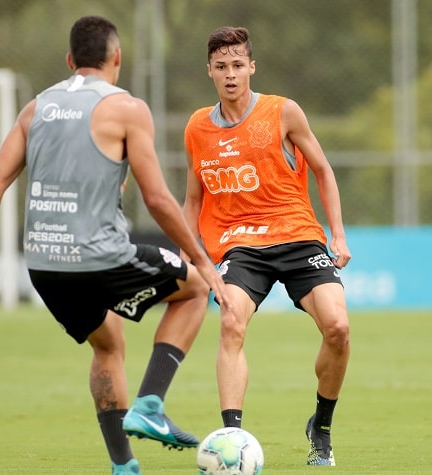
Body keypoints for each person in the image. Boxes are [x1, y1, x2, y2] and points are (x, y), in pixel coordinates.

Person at [0, 15, 231, 475]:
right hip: (98, 257)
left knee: (108, 342)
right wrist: (201, 259)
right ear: (116, 58)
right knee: (196, 288)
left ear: (69, 61)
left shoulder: (36, 108)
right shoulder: (127, 107)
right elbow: (158, 198)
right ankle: (151, 404)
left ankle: (123, 466)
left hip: (43, 265)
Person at [183, 26, 351, 467]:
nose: (231, 74)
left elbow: (323, 170)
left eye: (238, 65)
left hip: (298, 236)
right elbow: (194, 198)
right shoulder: (198, 128)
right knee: (231, 322)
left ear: (251, 67)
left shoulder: (283, 112)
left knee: (338, 329)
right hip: (241, 245)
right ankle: (231, 442)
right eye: (222, 67)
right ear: (210, 72)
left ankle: (322, 426)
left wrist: (337, 233)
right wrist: (189, 251)